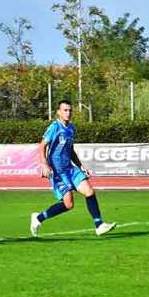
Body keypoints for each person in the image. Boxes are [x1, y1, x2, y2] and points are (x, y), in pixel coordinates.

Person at [30, 100, 116, 237]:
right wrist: (45, 165)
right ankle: (38, 218)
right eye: (65, 110)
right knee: (68, 204)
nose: (68, 113)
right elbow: (42, 146)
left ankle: (99, 225)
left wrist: (81, 166)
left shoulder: (71, 129)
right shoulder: (55, 127)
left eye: (70, 110)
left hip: (70, 169)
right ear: (58, 112)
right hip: (57, 172)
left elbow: (71, 151)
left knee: (89, 191)